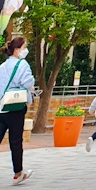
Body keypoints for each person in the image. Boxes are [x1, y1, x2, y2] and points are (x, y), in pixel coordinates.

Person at [0, 37, 34, 185]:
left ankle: (18, 173)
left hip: (2, 107)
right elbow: (28, 82)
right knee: (15, 141)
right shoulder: (22, 64)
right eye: (24, 47)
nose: (25, 50)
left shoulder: (2, 66)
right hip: (16, 108)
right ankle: (18, 173)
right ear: (17, 49)